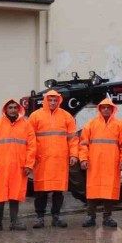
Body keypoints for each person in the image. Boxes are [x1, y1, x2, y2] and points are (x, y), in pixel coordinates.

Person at [28, 90, 78, 228]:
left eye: (55, 100)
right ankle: (40, 217)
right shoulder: (35, 116)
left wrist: (74, 155)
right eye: (50, 100)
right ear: (46, 100)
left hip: (59, 160)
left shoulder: (66, 116)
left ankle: (56, 217)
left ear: (59, 101)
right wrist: (30, 158)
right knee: (41, 191)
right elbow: (30, 139)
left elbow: (73, 139)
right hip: (41, 160)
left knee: (58, 190)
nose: (52, 103)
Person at [79, 98, 122, 227]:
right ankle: (90, 216)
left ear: (113, 109)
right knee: (92, 191)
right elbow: (83, 144)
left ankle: (107, 217)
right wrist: (83, 159)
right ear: (100, 109)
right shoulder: (91, 124)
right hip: (94, 164)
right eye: (103, 107)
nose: (106, 109)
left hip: (111, 164)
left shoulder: (120, 125)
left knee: (110, 191)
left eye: (108, 107)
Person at [0, 99, 36, 232]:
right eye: (10, 108)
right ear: (5, 109)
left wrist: (29, 165)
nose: (13, 110)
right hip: (1, 166)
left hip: (18, 166)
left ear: (18, 109)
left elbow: (32, 146)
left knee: (15, 193)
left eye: (15, 107)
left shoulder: (26, 125)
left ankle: (14, 221)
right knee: (0, 194)